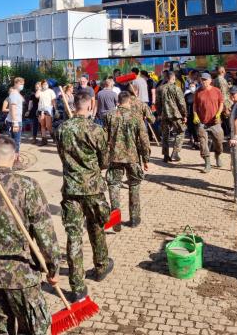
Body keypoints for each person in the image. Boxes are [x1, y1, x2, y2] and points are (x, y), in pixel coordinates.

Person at [0, 136, 60, 334]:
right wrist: (53, 267)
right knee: (31, 329)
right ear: (16, 157)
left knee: (0, 329)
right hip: (22, 274)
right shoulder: (29, 186)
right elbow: (45, 233)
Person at [55, 92, 113, 301]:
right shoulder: (96, 130)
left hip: (71, 189)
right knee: (96, 227)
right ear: (90, 106)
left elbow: (62, 156)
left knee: (74, 235)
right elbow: (105, 161)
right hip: (92, 188)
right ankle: (101, 266)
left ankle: (77, 285)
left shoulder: (62, 129)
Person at [104, 91, 151, 230]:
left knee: (114, 186)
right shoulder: (136, 117)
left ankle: (115, 221)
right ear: (129, 101)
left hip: (115, 156)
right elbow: (144, 140)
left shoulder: (109, 116)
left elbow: (104, 138)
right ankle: (135, 219)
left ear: (118, 101)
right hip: (132, 157)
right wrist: (146, 158)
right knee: (134, 186)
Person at [193, 73, 225, 173]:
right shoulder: (198, 92)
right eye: (202, 80)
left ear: (210, 80)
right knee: (203, 143)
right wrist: (195, 115)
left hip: (215, 122)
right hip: (202, 122)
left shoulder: (217, 91)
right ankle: (207, 163)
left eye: (205, 80)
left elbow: (221, 103)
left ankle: (218, 155)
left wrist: (219, 113)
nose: (204, 82)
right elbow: (195, 105)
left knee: (219, 141)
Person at [156, 72, 187, 162]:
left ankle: (166, 156)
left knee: (165, 135)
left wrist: (159, 114)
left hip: (164, 115)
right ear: (173, 78)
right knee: (181, 131)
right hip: (175, 115)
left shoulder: (160, 88)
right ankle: (175, 153)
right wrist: (184, 115)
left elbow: (157, 103)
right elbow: (182, 103)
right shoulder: (177, 88)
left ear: (166, 78)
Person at [5, 77, 25, 163]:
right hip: (14, 121)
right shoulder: (13, 94)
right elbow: (13, 108)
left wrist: (17, 91)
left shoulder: (16, 93)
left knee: (16, 141)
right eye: (20, 84)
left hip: (17, 120)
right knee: (15, 142)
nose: (22, 85)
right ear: (16, 84)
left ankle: (15, 159)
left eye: (23, 84)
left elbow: (22, 100)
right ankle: (14, 160)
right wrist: (15, 122)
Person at [36, 80, 56, 146]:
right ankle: (44, 140)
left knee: (48, 126)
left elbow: (53, 101)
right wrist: (39, 89)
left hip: (48, 110)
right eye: (43, 84)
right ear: (42, 85)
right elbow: (37, 96)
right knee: (42, 125)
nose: (45, 85)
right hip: (40, 110)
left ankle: (54, 137)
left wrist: (56, 109)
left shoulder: (51, 91)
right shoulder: (40, 91)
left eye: (46, 84)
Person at [184, 70, 200, 148]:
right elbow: (186, 101)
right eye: (191, 86)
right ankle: (193, 139)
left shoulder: (198, 91)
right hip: (189, 111)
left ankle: (197, 140)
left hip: (197, 111)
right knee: (191, 126)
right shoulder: (187, 93)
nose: (196, 77)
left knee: (196, 126)